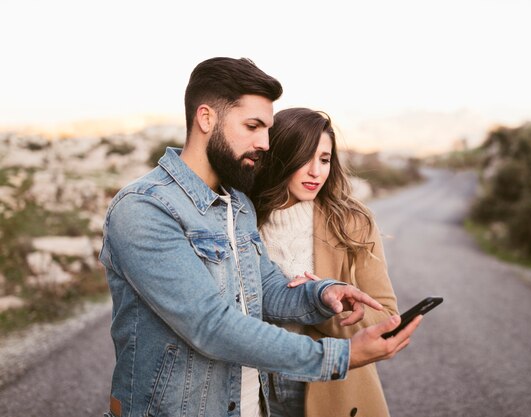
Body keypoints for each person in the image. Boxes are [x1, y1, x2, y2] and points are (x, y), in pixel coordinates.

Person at [99, 57, 421, 417]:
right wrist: (340, 356)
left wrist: (323, 293)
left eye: (267, 128)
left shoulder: (237, 204)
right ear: (206, 119)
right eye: (253, 126)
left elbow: (265, 289)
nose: (266, 143)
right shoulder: (145, 208)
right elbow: (210, 325)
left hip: (248, 406)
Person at [251, 108, 398, 417]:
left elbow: (384, 317)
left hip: (326, 390)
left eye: (324, 159)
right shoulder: (241, 219)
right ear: (278, 157)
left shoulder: (352, 222)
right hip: (252, 385)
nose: (316, 172)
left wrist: (318, 303)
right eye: (305, 158)